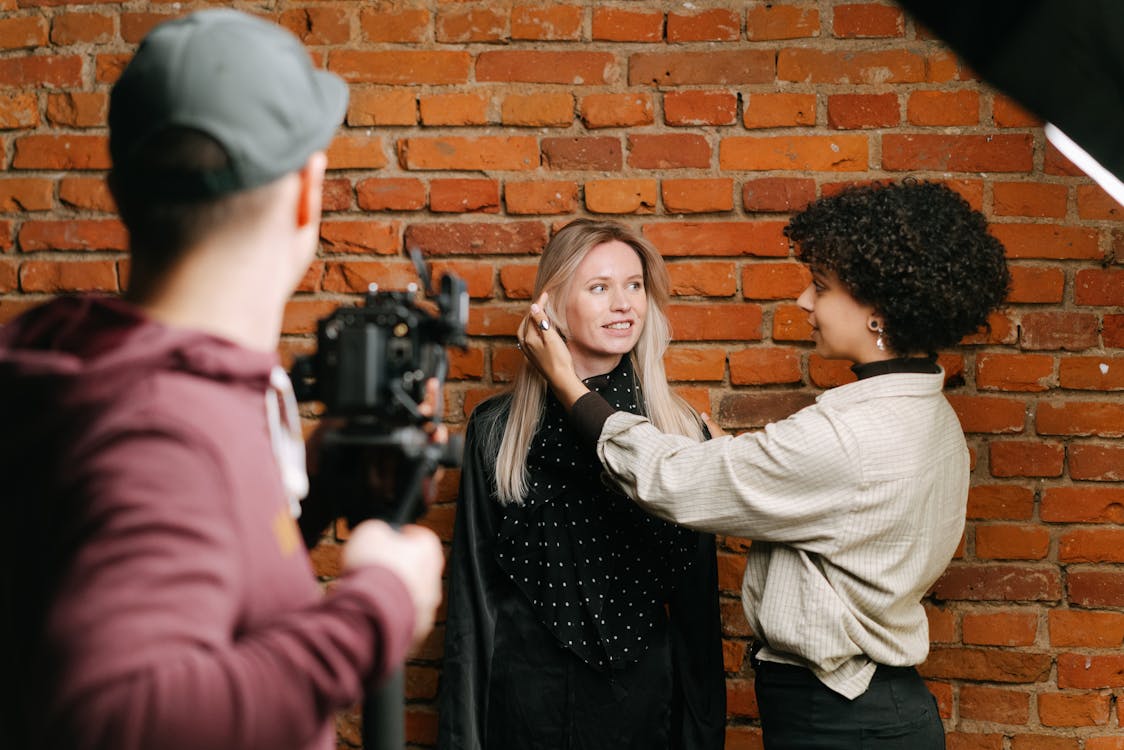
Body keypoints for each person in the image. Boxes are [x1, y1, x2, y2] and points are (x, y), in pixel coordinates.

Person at [0, 10, 444, 750]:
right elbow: (116, 715)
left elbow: (180, 577)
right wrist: (379, 610)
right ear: (308, 191)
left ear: (120, 192)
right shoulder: (165, 429)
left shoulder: (115, 366)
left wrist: (314, 497)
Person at [519, 181, 1010, 748]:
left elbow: (670, 480)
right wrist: (740, 459)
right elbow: (829, 492)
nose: (804, 301)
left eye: (820, 288)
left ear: (878, 312)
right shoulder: (930, 417)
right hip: (877, 707)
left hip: (838, 719)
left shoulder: (843, 437)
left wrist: (567, 384)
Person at [437, 219, 726, 750]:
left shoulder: (681, 433)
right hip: (523, 711)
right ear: (550, 306)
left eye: (634, 285)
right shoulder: (497, 430)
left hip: (643, 714)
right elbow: (471, 611)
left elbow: (698, 626)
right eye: (599, 287)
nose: (624, 304)